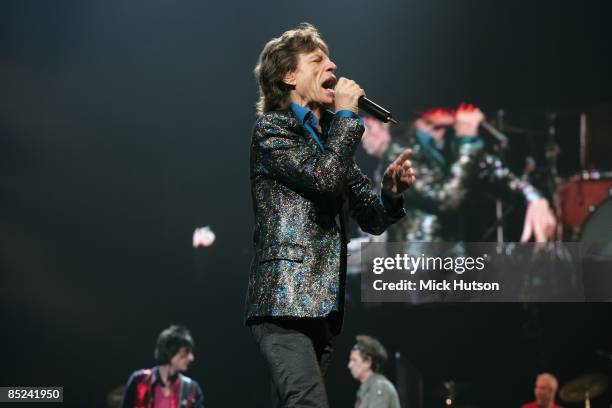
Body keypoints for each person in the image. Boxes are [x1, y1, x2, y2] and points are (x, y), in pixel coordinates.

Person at [245, 23, 415, 407]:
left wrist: (389, 195)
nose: (333, 65)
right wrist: (348, 117)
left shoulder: (327, 140)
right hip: (283, 303)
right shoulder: (273, 131)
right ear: (289, 76)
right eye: (318, 60)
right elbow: (323, 180)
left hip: (321, 307)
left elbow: (370, 218)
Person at [378, 104, 556, 244]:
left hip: (456, 265)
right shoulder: (399, 152)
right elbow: (446, 199)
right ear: (420, 109)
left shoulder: (455, 143)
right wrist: (468, 142)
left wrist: (534, 197)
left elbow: (499, 174)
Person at [121, 325, 204, 408]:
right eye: (186, 351)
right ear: (170, 350)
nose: (191, 358)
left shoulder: (192, 389)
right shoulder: (139, 380)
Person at [348, 335, 400, 408]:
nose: (349, 365)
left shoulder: (380, 387)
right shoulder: (367, 390)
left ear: (368, 362)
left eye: (354, 360)